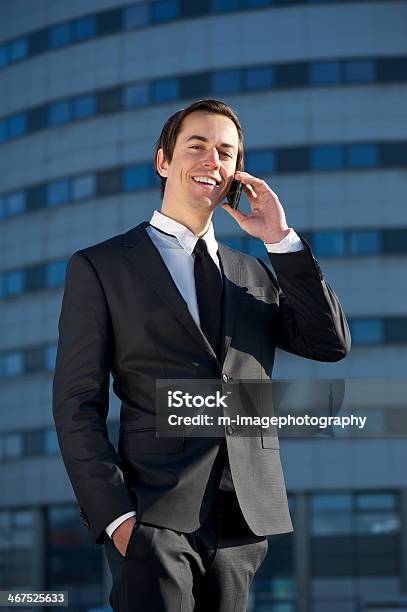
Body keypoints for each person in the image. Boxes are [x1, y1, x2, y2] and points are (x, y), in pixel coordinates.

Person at [52, 98, 351, 612]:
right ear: (163, 161)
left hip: (242, 521)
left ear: (237, 174)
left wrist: (279, 239)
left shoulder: (255, 271)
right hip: (153, 515)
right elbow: (76, 404)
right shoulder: (102, 267)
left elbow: (330, 343)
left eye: (227, 153)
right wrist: (117, 519)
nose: (213, 160)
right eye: (198, 146)